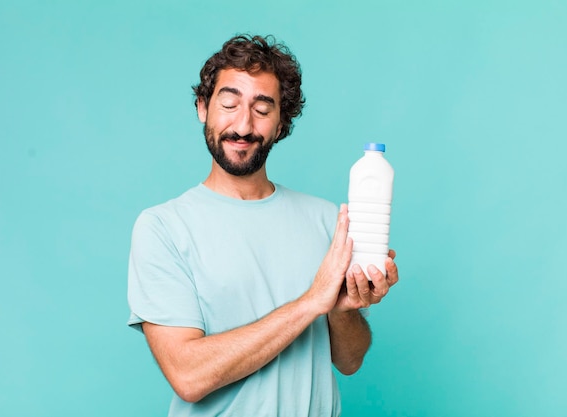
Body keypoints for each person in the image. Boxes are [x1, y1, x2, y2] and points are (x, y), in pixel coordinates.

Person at [127, 34, 399, 417]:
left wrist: (342, 310)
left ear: (281, 123)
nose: (243, 124)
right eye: (229, 102)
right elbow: (188, 376)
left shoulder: (328, 221)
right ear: (203, 107)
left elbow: (349, 361)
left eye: (262, 108)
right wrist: (309, 304)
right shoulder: (163, 228)